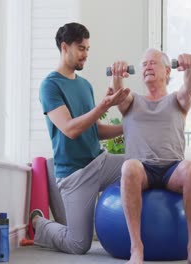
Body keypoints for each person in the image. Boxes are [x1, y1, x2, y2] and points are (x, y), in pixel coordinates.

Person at [33, 22, 130, 254]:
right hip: (74, 174)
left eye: (88, 48)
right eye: (81, 48)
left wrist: (129, 126)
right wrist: (103, 105)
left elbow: (94, 129)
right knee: (78, 244)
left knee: (139, 165)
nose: (86, 54)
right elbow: (70, 129)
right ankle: (39, 224)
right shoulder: (50, 86)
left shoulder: (85, 85)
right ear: (65, 47)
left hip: (100, 162)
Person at [110, 49, 191, 264]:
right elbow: (118, 94)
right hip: (142, 170)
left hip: (172, 169)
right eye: (144, 64)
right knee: (129, 167)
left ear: (167, 70)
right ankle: (137, 248)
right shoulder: (131, 100)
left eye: (153, 63)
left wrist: (189, 69)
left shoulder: (177, 100)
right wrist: (117, 75)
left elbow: (190, 88)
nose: (147, 67)